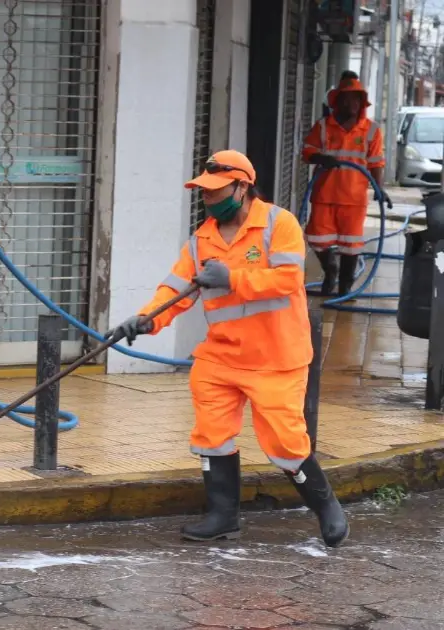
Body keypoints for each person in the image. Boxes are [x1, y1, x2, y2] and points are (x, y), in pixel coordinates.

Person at [109, 150, 349, 548]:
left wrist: (232, 277)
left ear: (242, 187)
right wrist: (147, 319)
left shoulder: (278, 224)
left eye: (217, 191)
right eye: (204, 192)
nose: (209, 198)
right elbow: (175, 289)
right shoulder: (201, 240)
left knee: (285, 444)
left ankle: (326, 506)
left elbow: (288, 280)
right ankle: (222, 516)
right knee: (212, 435)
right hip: (221, 357)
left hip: (276, 358)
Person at [302, 75, 385, 297]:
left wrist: (380, 189)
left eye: (356, 99)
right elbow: (307, 152)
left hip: (354, 198)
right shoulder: (323, 126)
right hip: (324, 194)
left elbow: (376, 163)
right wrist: (321, 158)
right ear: (337, 101)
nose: (351, 104)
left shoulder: (371, 130)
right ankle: (331, 270)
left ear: (361, 103)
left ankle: (345, 289)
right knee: (316, 239)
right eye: (346, 99)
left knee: (351, 245)